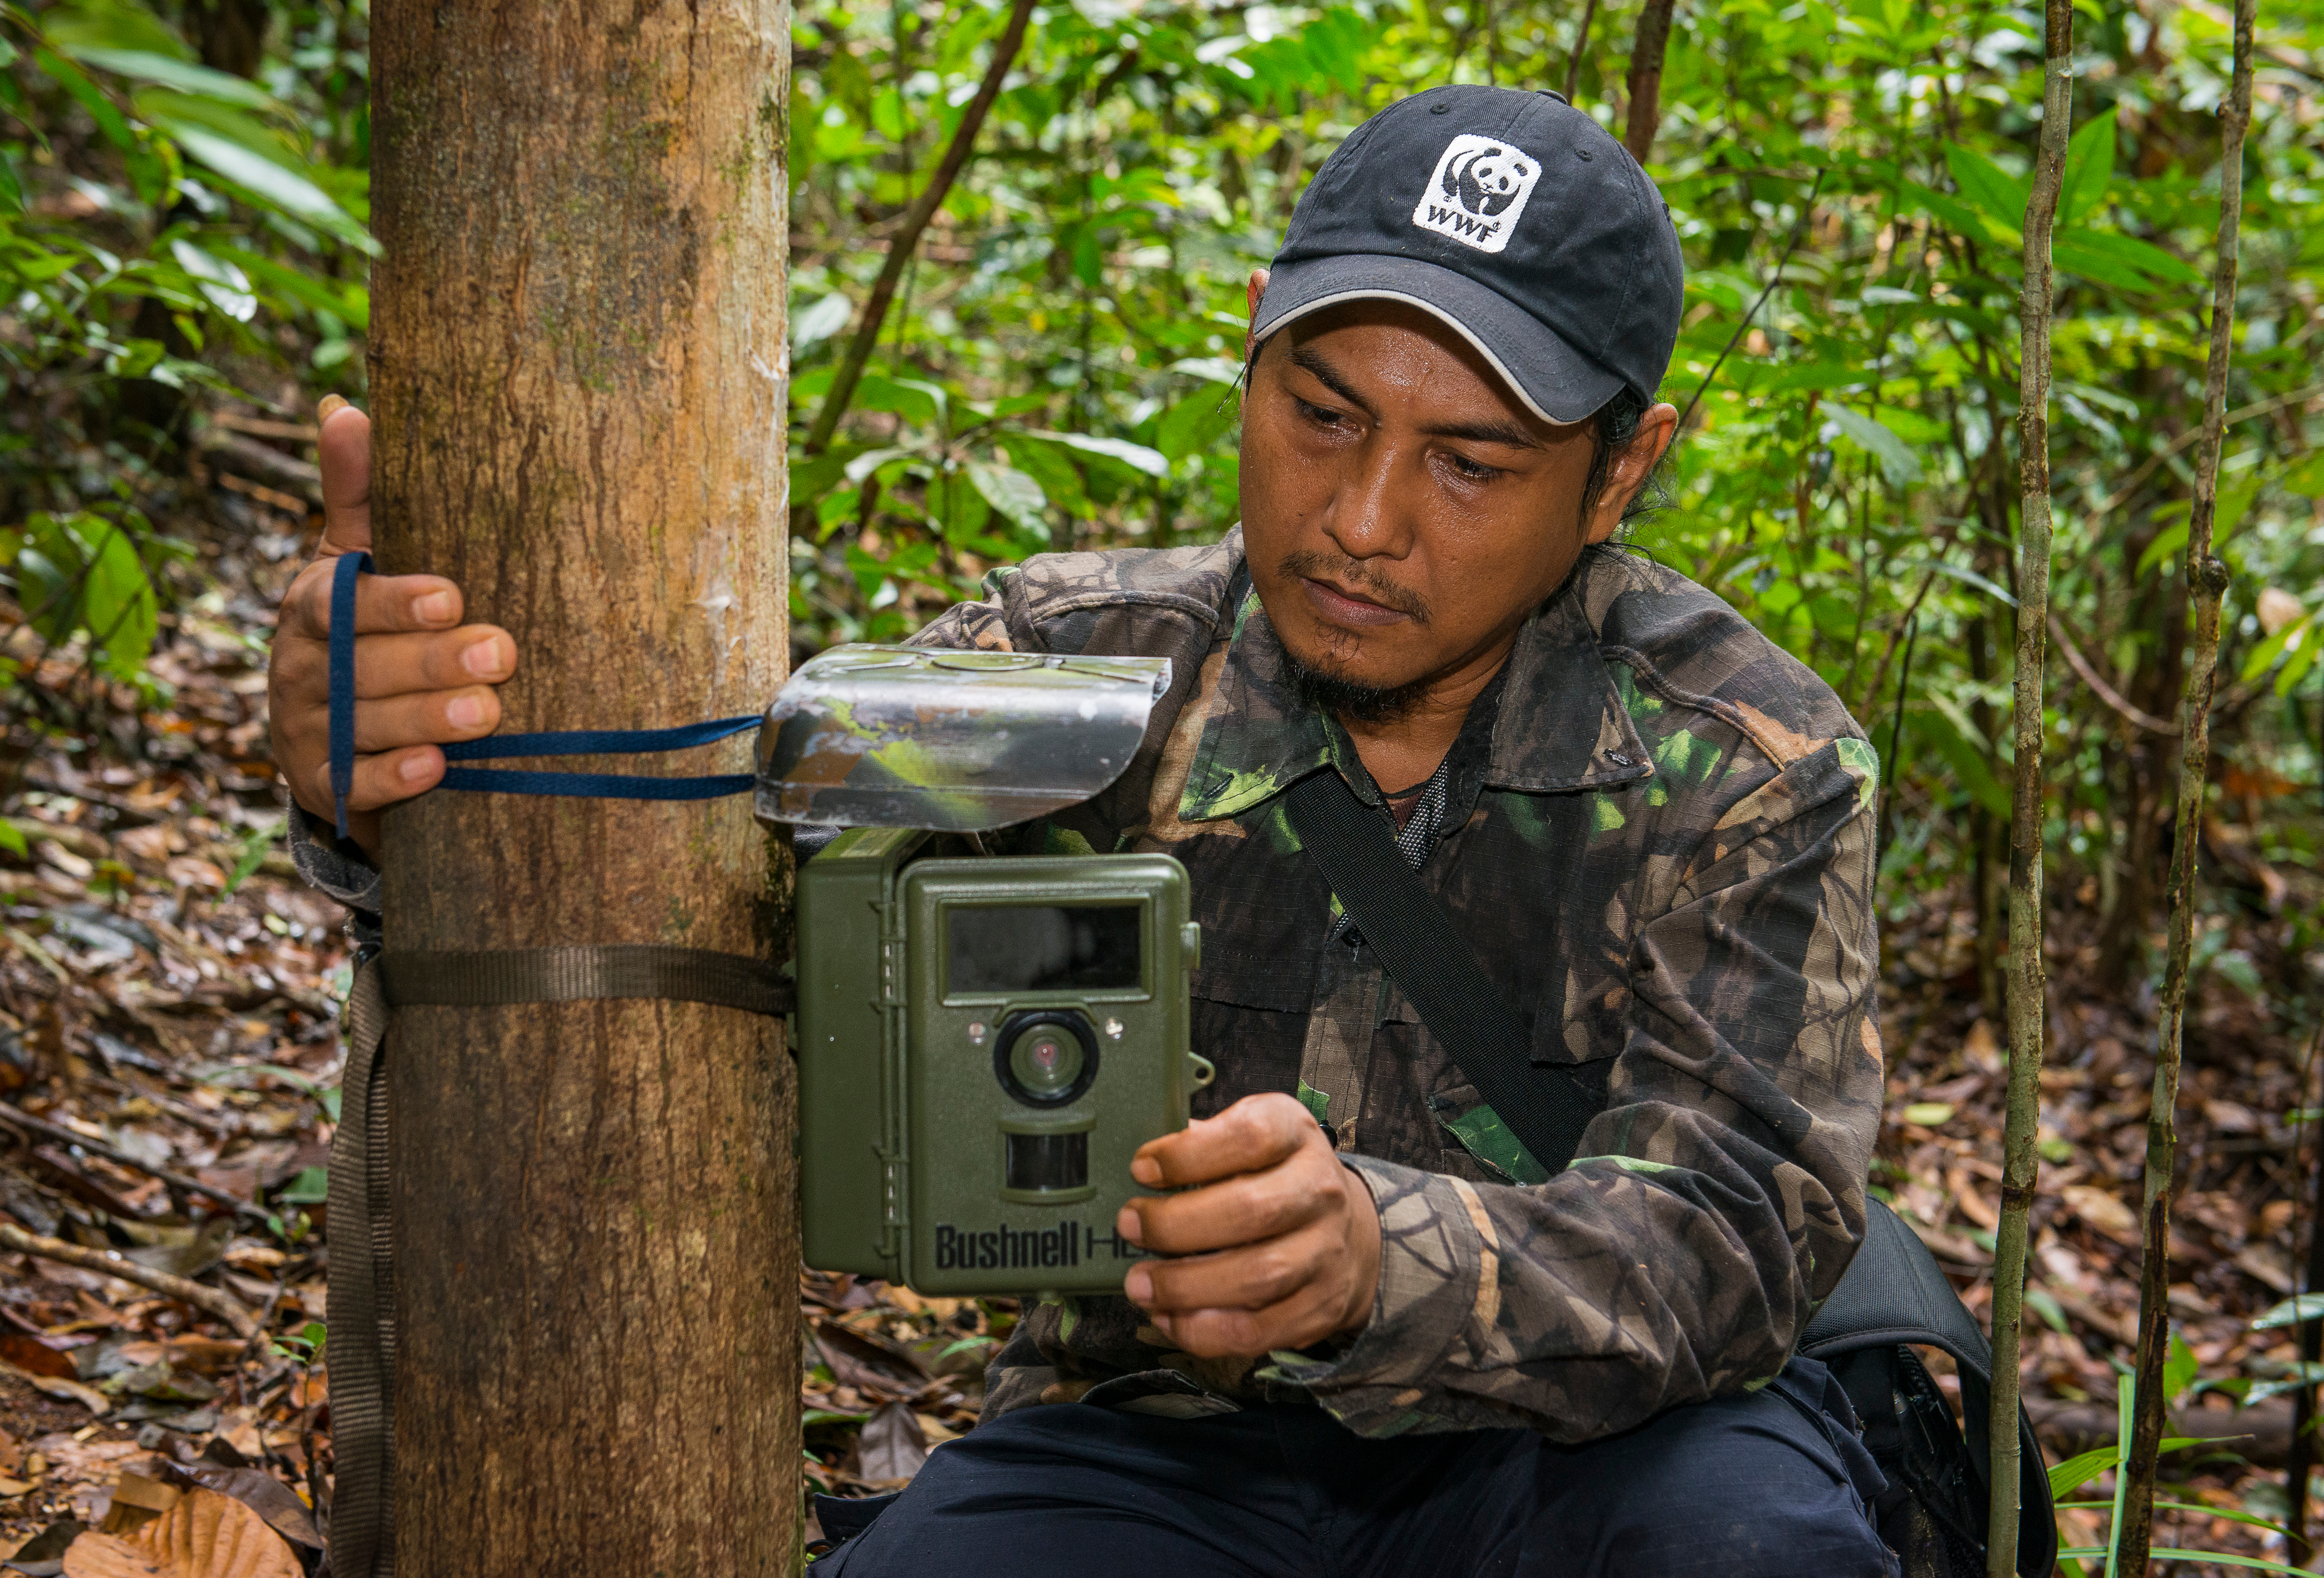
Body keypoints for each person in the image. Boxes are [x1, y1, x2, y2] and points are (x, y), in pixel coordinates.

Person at [269, 85, 1898, 1576]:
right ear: (1253, 344)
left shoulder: (1742, 756)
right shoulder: (1063, 672)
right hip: (1160, 1445)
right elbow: (705, 932)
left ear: (1619, 472)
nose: (1362, 518)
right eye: (1321, 414)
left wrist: (1369, 1256)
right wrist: (411, 778)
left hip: (1601, 1450)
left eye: (1471, 462)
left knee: (1747, 1550)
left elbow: (1733, 1226)